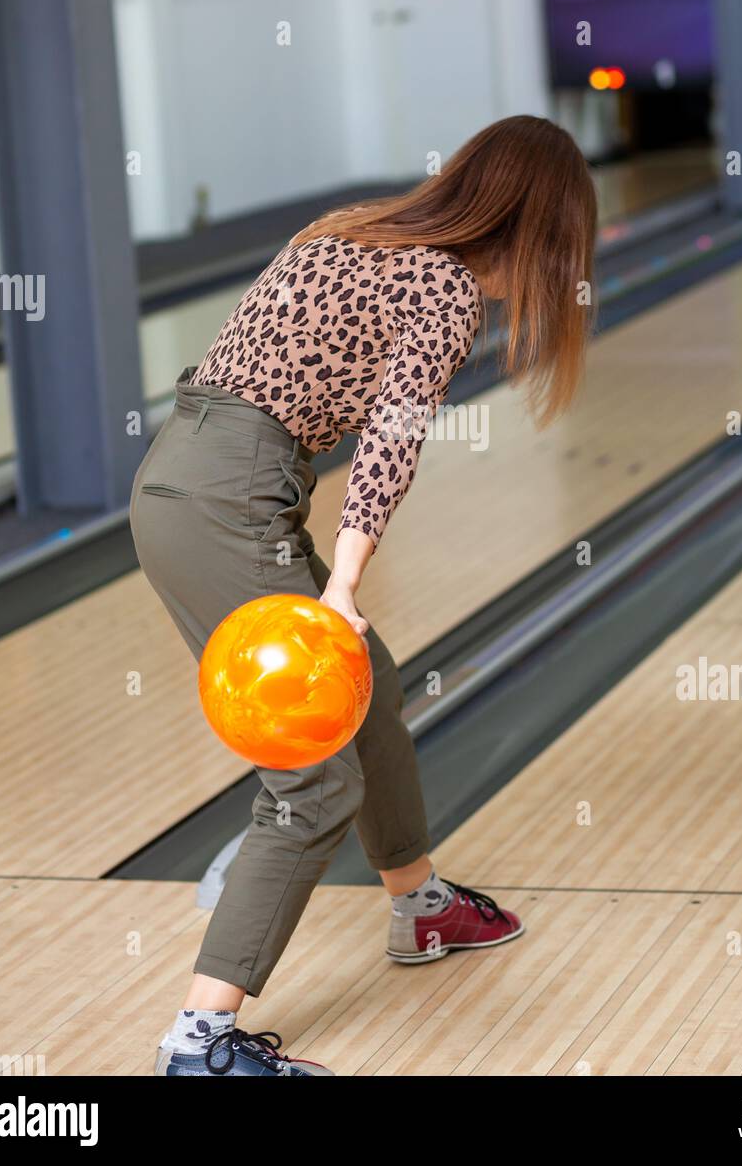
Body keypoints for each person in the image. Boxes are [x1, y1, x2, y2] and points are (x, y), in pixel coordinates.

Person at [130, 114, 598, 1076]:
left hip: (185, 480)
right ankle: (199, 1042)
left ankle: (419, 905)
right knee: (314, 780)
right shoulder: (445, 285)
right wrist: (340, 583)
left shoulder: (358, 228)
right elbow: (392, 439)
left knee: (366, 686)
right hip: (232, 500)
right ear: (532, 227)